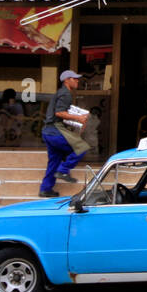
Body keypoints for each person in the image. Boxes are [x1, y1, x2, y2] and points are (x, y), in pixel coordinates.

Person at [39, 69, 90, 197]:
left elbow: (60, 113)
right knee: (81, 147)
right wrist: (79, 118)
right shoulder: (65, 94)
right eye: (74, 78)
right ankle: (63, 170)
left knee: (54, 160)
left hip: (48, 132)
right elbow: (59, 113)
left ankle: (45, 189)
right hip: (55, 131)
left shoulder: (61, 93)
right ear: (66, 80)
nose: (77, 80)